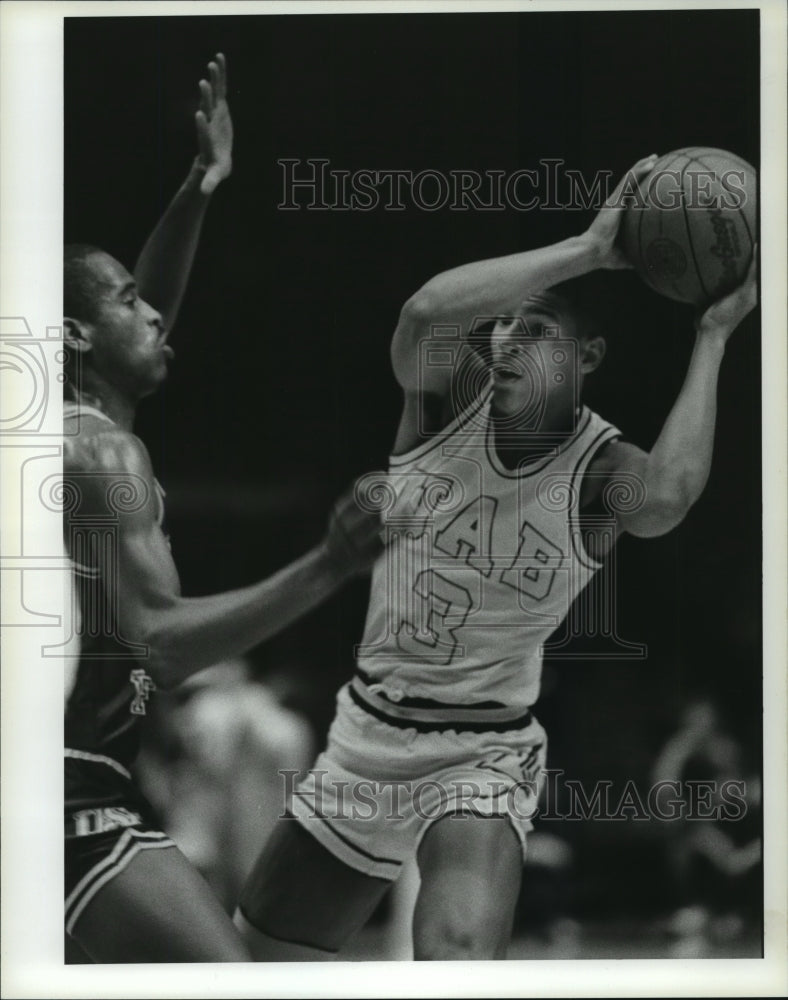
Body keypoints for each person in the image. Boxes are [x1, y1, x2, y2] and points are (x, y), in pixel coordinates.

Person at [234, 155, 759, 960]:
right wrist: (590, 248)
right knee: (260, 963)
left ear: (589, 358)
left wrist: (715, 336)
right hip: (365, 736)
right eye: (507, 325)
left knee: (455, 960)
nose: (509, 339)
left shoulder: (600, 473)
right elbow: (424, 311)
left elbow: (672, 496)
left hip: (483, 749)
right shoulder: (450, 399)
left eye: (538, 328)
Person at [63, 54, 381, 963]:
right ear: (80, 335)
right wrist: (328, 563)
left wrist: (199, 190)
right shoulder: (102, 453)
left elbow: (140, 316)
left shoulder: (66, 430)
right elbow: (160, 645)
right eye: (130, 302)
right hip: (64, 795)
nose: (159, 315)